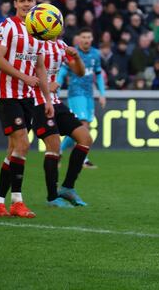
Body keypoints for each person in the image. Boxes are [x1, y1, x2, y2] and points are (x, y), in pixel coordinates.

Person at [0, 0, 51, 218]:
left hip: (27, 97)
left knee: (14, 149)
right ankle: (17, 201)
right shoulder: (7, 26)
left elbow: (40, 68)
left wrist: (47, 99)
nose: (26, 4)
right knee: (23, 144)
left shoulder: (39, 31)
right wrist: (24, 77)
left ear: (36, 2)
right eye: (22, 0)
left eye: (30, 0)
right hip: (6, 95)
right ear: (15, 3)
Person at [34, 36, 95, 207]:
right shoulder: (33, 44)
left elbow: (80, 72)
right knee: (53, 145)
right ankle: (52, 197)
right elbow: (25, 74)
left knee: (85, 138)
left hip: (55, 102)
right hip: (37, 101)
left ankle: (68, 187)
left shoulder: (61, 45)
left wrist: (76, 57)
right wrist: (46, 84)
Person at [58, 28, 105, 169]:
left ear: (92, 39)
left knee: (83, 127)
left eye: (88, 37)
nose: (86, 39)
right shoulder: (72, 54)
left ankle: (59, 151)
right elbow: (62, 72)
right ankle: (82, 159)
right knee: (82, 125)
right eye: (83, 37)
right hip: (76, 94)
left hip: (89, 94)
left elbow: (99, 74)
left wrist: (102, 94)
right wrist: (57, 89)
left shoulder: (95, 54)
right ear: (79, 39)